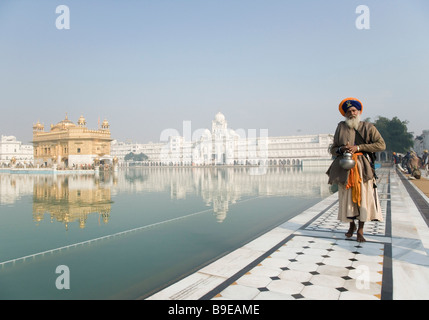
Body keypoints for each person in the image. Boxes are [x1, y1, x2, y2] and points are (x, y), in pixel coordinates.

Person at [327, 97, 386, 242]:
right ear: (345, 114)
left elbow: (381, 145)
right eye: (348, 112)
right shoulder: (341, 127)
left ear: (358, 111)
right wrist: (342, 148)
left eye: (353, 110)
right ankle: (351, 225)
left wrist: (358, 147)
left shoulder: (368, 127)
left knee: (362, 198)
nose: (351, 113)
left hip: (362, 169)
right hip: (345, 168)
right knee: (347, 199)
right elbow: (333, 149)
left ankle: (360, 229)